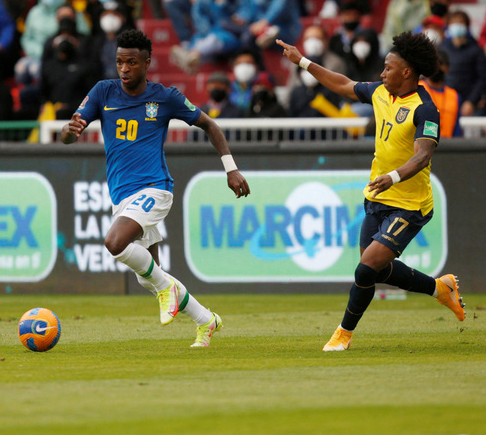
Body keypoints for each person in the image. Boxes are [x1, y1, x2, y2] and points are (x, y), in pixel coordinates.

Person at [276, 32, 466, 352]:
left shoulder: (425, 108)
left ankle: (343, 334)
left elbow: (423, 155)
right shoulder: (380, 93)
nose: (382, 73)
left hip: (410, 204)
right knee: (376, 269)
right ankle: (439, 289)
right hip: (377, 199)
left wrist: (393, 176)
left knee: (366, 268)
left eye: (388, 68)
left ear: (407, 72)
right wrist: (303, 62)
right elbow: (341, 83)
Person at [61, 29, 250, 347]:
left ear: (147, 62)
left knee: (115, 242)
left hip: (155, 189)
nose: (124, 69)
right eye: (120, 62)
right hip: (122, 196)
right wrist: (69, 130)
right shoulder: (103, 93)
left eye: (132, 62)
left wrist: (230, 169)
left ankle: (167, 291)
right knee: (147, 274)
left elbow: (210, 125)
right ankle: (207, 321)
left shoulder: (165, 96)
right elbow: (68, 136)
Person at [419, 49, 461, 138]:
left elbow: (456, 130)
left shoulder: (454, 96)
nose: (437, 68)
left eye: (440, 64)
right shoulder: (417, 89)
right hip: (423, 146)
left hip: (449, 148)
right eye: (433, 64)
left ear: (447, 68)